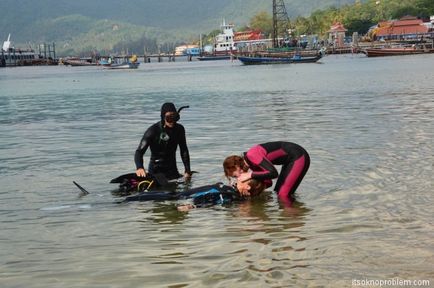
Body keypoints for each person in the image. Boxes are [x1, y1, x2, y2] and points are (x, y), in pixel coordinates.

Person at [223, 141, 310, 204]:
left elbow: (274, 173)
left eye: (235, 176)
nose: (238, 179)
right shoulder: (251, 164)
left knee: (283, 195)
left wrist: (250, 175)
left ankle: (292, 221)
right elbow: (268, 182)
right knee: (277, 191)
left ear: (237, 167)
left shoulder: (252, 155)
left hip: (299, 157)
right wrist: (250, 190)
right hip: (289, 161)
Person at [123, 178, 266, 211]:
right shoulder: (229, 190)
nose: (240, 178)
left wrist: (193, 207)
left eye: (244, 179)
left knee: (130, 200)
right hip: (177, 195)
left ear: (247, 186)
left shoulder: (229, 194)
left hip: (178, 196)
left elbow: (211, 199)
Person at [135, 102, 192, 181]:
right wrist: (139, 167)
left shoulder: (179, 129)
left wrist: (187, 169)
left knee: (176, 192)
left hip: (172, 170)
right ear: (163, 117)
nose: (172, 121)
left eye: (174, 117)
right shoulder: (153, 131)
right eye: (169, 118)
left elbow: (184, 150)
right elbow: (139, 152)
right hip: (156, 170)